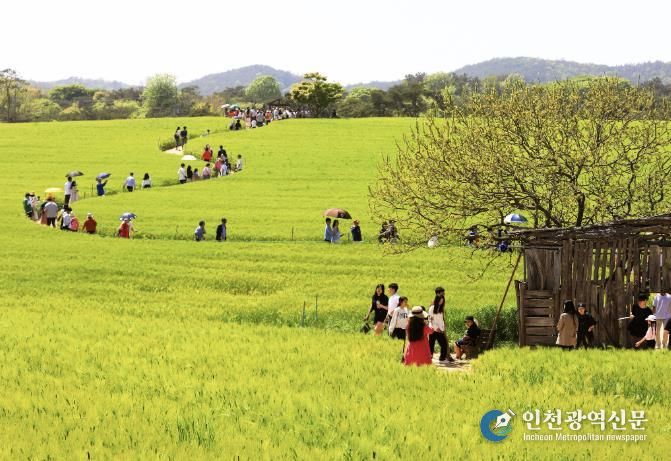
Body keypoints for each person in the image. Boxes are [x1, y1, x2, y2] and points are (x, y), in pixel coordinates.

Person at [429, 287, 453, 362]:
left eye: (442, 300)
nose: (441, 302)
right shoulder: (432, 308)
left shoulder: (441, 309)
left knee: (444, 344)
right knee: (431, 345)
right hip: (433, 329)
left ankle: (442, 358)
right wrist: (436, 328)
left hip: (440, 330)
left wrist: (442, 328)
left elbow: (441, 320)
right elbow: (430, 319)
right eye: (440, 300)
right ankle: (429, 358)